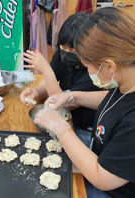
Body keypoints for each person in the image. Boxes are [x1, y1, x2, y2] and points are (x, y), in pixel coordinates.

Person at [35, 7, 135, 198]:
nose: (87, 71)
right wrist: (72, 96)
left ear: (109, 66)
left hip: (111, 189)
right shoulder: (125, 80)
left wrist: (60, 127)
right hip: (97, 153)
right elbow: (111, 102)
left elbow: (102, 177)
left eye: (88, 66)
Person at [21, 12, 102, 147]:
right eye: (63, 46)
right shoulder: (60, 55)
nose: (65, 51)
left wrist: (46, 71)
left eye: (72, 49)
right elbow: (46, 85)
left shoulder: (93, 70)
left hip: (85, 129)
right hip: (68, 120)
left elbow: (65, 105)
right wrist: (35, 92)